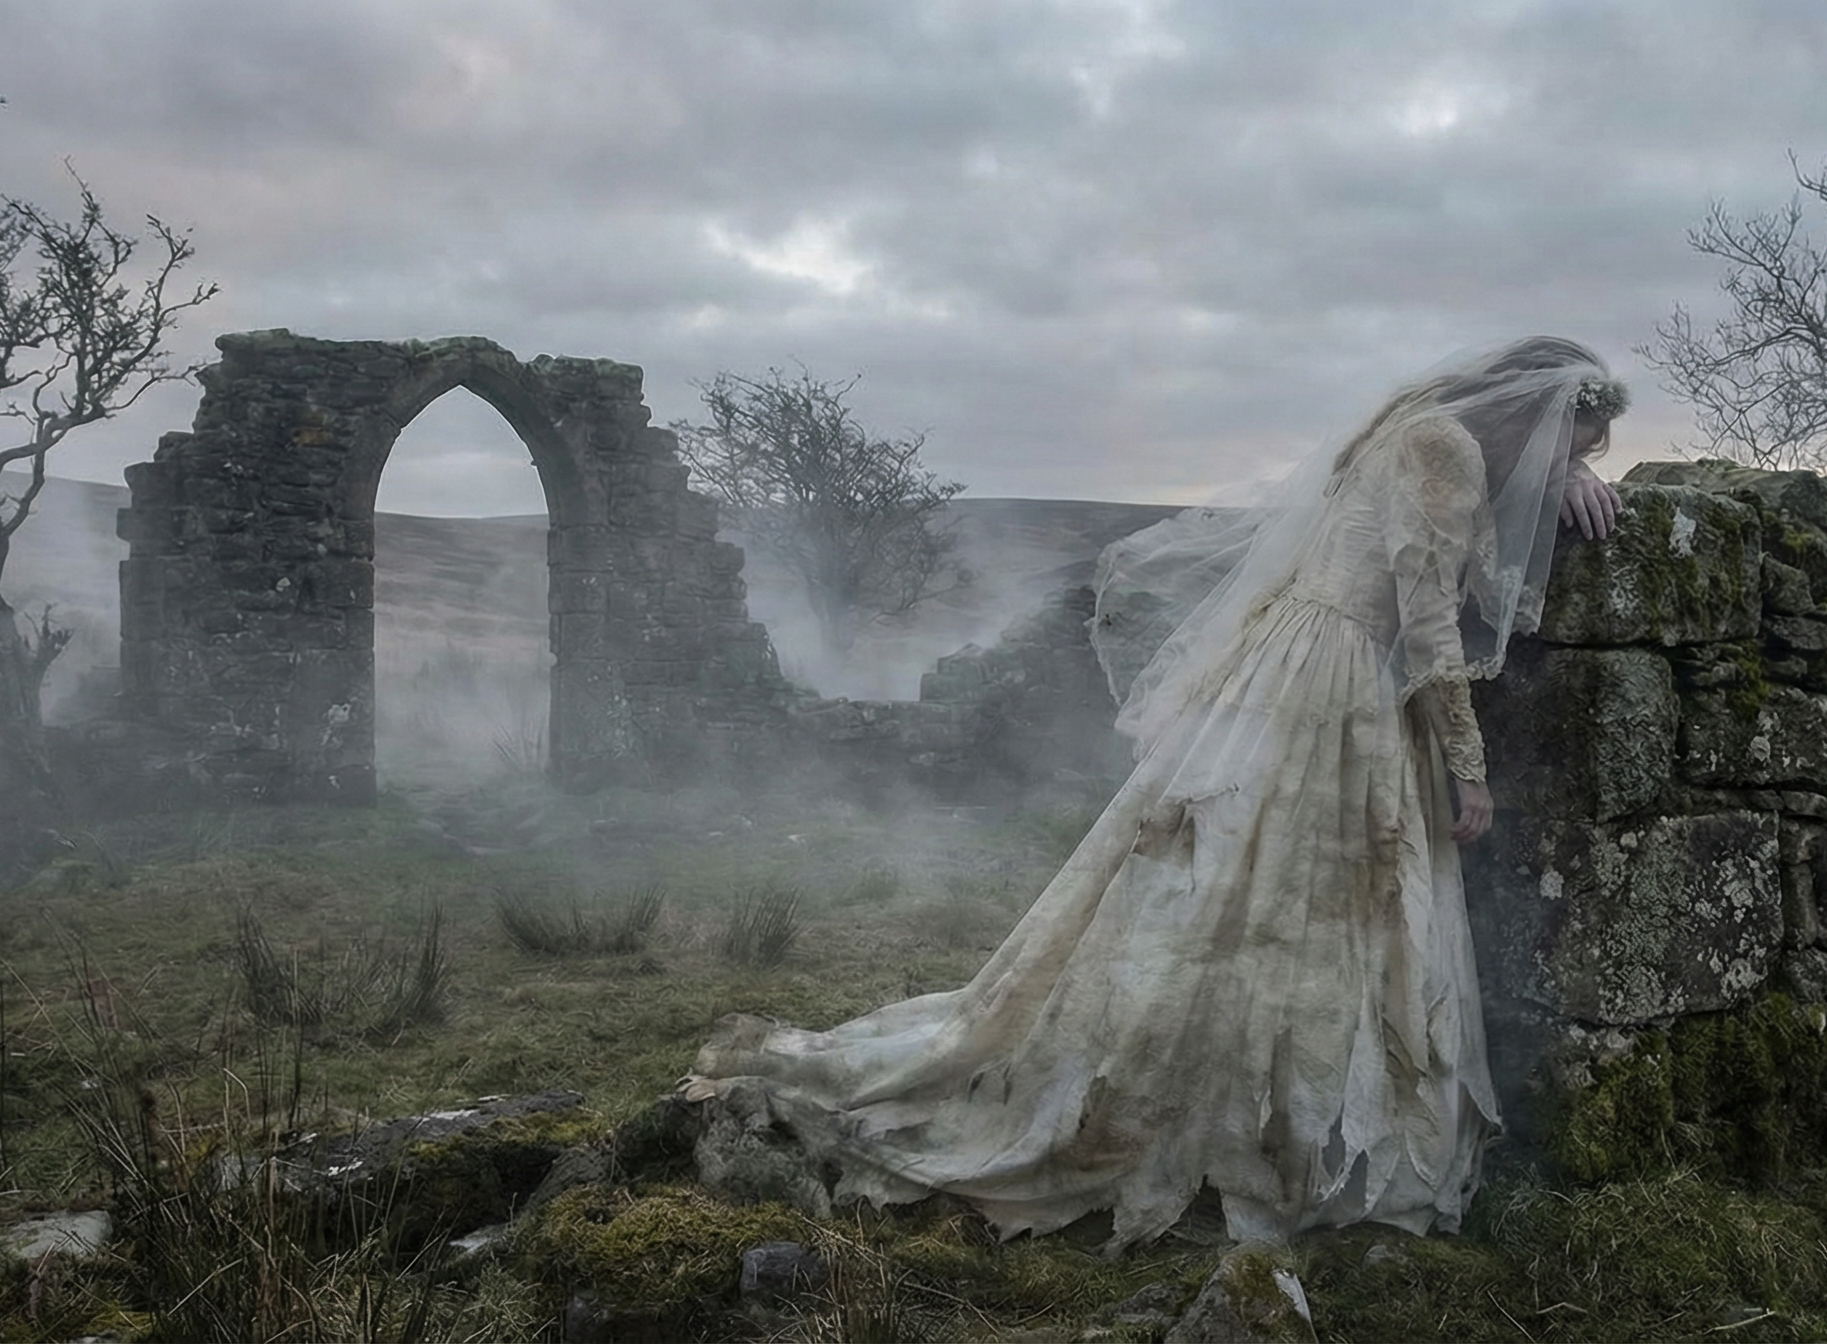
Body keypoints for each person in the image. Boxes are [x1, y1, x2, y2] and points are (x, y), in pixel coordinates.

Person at [688, 337, 1629, 1251]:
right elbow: (1427, 613)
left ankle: (1231, 1102)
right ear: (1537, 414)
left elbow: (1456, 531)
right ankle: (1244, 1126)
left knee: (1236, 901)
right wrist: (1468, 764)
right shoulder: (1442, 446)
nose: (1565, 462)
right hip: (1338, 683)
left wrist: (1560, 477)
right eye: (1570, 445)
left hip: (1297, 664)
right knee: (1283, 902)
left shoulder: (1414, 429)